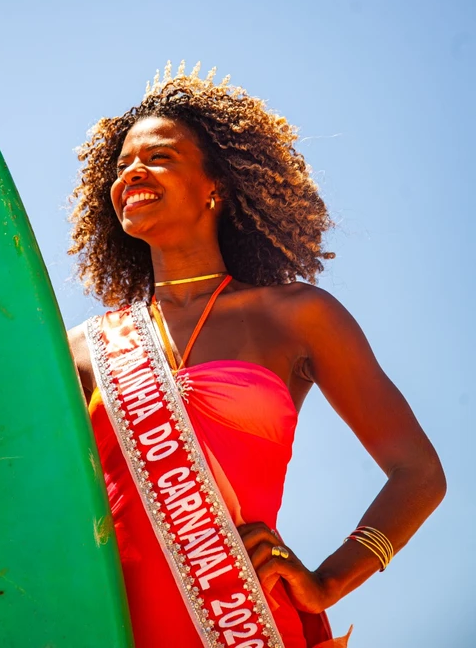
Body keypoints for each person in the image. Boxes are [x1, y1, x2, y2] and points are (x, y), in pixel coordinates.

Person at [67, 62, 445, 648]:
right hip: (112, 627)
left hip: (246, 622)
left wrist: (328, 581)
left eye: (159, 157)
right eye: (120, 166)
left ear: (215, 184)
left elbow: (420, 474)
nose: (132, 172)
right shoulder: (87, 348)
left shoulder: (296, 316)